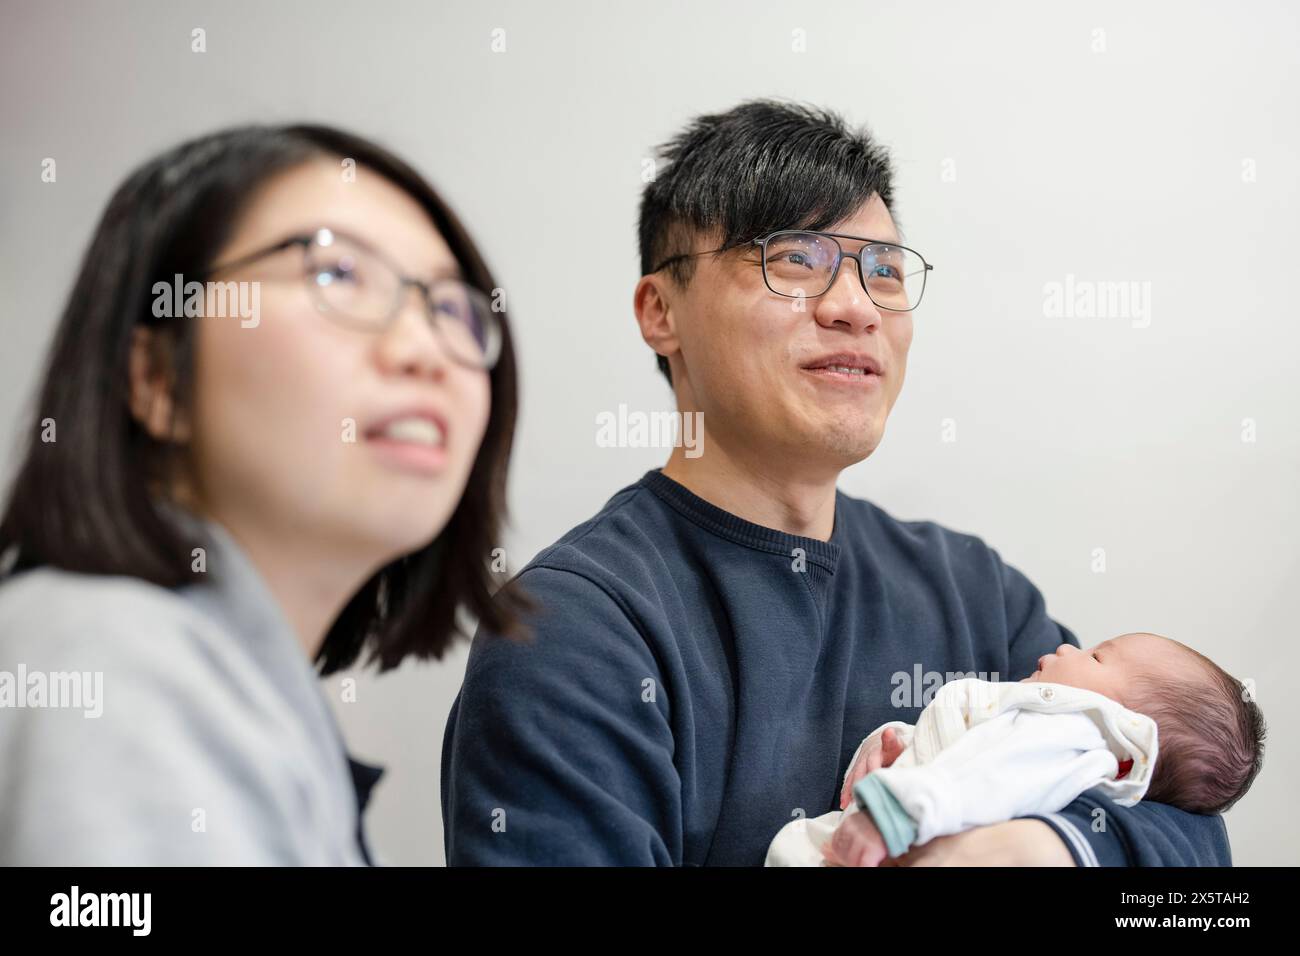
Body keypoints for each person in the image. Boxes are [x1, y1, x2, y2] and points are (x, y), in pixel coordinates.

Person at [441, 99, 1232, 866]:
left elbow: (1190, 824)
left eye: (884, 271)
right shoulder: (575, 630)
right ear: (661, 310)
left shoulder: (975, 593)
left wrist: (1037, 848)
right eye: (795, 260)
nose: (856, 307)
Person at [0, 124, 527, 864]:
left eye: (451, 310)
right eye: (336, 274)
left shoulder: (228, 683)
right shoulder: (108, 663)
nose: (424, 350)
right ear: (156, 378)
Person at [766, 632, 1265, 866]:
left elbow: (991, 776)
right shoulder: (1045, 727)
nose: (1068, 648)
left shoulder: (1075, 732)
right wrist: (903, 752)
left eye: (1096, 655)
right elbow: (976, 761)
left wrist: (894, 812)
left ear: (1128, 727)